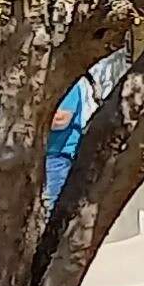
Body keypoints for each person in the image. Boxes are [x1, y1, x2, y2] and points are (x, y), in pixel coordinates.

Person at [44, 75, 95, 203]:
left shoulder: (69, 88)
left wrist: (36, 124)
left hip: (58, 158)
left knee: (50, 205)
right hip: (42, 157)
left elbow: (61, 120)